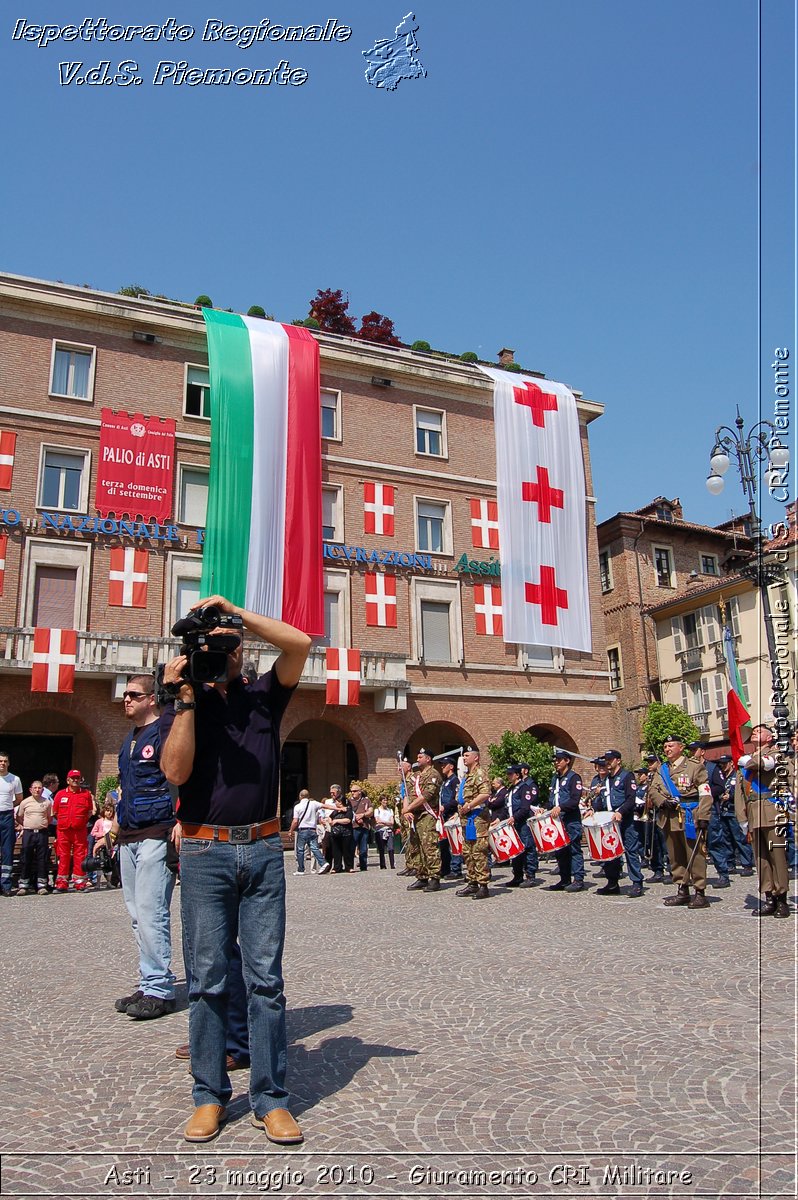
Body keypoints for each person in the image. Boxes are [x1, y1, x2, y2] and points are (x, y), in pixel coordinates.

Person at [160, 593, 310, 1145]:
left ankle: (270, 1100)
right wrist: (184, 701)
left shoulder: (266, 695)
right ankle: (209, 1097)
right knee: (206, 982)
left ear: (241, 648)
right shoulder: (188, 701)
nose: (221, 653)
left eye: (229, 646)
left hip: (265, 850)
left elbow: (300, 643)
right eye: (212, 646)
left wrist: (235, 614)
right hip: (204, 853)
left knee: (266, 982)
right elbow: (176, 773)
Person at [112, 675, 178, 1019]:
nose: (127, 700)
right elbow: (126, 785)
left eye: (133, 695)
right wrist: (117, 819)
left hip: (156, 831)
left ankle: (160, 989)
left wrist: (180, 821)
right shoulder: (130, 739)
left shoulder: (163, 732)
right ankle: (148, 978)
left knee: (153, 913)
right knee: (137, 915)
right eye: (125, 694)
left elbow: (178, 777)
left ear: (151, 698)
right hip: (129, 835)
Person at [649, 733, 712, 909]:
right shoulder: (662, 770)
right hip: (669, 817)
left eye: (671, 746)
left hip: (690, 815)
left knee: (695, 854)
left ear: (681, 747)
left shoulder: (694, 767)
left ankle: (700, 892)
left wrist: (704, 816)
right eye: (665, 747)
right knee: (675, 855)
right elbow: (653, 790)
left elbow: (705, 793)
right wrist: (662, 802)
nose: (667, 750)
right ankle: (682, 889)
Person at [736, 724, 789, 918]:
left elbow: (762, 764)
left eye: (760, 731)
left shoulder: (776, 754)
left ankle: (782, 898)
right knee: (761, 860)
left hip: (772, 812)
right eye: (754, 731)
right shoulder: (745, 762)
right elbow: (740, 794)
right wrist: (742, 819)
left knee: (778, 858)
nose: (755, 733)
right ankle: (769, 897)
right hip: (754, 815)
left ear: (769, 737)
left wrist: (747, 760)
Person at [594, 749, 644, 897]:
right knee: (611, 852)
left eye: (610, 760)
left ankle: (636, 883)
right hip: (610, 821)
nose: (607, 762)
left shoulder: (627, 776)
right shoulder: (605, 780)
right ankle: (612, 883)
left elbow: (631, 798)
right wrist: (594, 809)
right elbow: (604, 801)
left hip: (625, 819)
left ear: (618, 761)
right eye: (606, 760)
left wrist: (620, 812)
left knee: (631, 850)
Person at [402, 748, 443, 893]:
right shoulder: (417, 776)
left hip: (427, 814)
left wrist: (409, 808)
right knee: (417, 846)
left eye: (420, 757)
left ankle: (434, 877)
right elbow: (408, 793)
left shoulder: (434, 774)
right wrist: (406, 809)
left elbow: (426, 795)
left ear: (428, 759)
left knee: (429, 847)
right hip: (415, 815)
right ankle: (422, 875)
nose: (417, 759)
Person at [456, 745, 492, 900]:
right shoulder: (467, 775)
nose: (464, 758)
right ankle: (472, 882)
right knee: (468, 852)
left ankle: (483, 885)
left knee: (478, 852)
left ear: (476, 757)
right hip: (467, 819)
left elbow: (485, 793)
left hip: (477, 819)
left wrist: (469, 805)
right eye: (463, 756)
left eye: (467, 755)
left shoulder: (479, 773)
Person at [546, 750, 585, 893]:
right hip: (558, 820)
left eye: (559, 760)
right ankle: (564, 879)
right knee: (560, 851)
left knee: (574, 849)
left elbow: (574, 800)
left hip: (570, 819)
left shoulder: (574, 778)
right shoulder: (555, 779)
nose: (556, 762)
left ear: (567, 761)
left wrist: (560, 807)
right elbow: (552, 799)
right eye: (555, 760)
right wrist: (546, 809)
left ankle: (578, 879)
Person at [52, 770, 95, 892]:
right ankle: (61, 883)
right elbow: (55, 812)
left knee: (80, 855)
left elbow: (89, 812)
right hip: (63, 830)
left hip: (79, 830)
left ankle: (80, 882)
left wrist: (79, 822)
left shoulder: (86, 794)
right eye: (73, 778)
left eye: (77, 778)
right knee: (63, 855)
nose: (75, 780)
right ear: (68, 780)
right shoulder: (60, 794)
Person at [711, 756, 754, 877]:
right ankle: (730, 863)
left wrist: (729, 797)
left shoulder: (737, 776)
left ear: (731, 763)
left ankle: (747, 864)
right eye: (721, 764)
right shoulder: (721, 777)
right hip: (723, 811)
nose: (723, 766)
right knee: (726, 840)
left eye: (725, 764)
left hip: (734, 811)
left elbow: (741, 792)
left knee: (740, 839)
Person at [503, 764, 539, 888]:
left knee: (528, 848)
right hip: (513, 824)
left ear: (517, 775)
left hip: (523, 823)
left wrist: (514, 817)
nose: (508, 776)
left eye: (510, 774)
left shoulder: (524, 788)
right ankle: (517, 876)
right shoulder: (511, 789)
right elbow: (506, 807)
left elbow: (525, 807)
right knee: (516, 850)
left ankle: (530, 876)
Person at [14, 781, 52, 895]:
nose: (37, 790)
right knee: (26, 858)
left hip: (42, 833)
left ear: (42, 790)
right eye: (35, 788)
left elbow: (49, 817)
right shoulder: (25, 802)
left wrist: (41, 825)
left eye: (39, 788)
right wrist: (27, 825)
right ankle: (23, 885)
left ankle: (41, 885)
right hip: (28, 833)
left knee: (42, 859)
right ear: (30, 789)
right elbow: (19, 817)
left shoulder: (47, 802)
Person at [288, 789, 331, 876]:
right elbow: (325, 805)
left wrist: (291, 830)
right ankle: (323, 863)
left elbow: (295, 821)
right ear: (308, 796)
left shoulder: (297, 806)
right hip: (312, 830)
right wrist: (339, 808)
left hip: (302, 830)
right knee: (314, 848)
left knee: (300, 850)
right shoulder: (314, 803)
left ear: (300, 796)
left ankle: (301, 869)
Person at [0, 753, 23, 896]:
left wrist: (8, 807)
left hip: (7, 816)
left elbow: (19, 798)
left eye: (5, 761)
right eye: (0, 761)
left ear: (8, 763)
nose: (2, 763)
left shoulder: (14, 779)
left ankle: (6, 885)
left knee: (7, 850)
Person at [438, 756, 462, 879]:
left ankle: (456, 869)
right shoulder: (445, 781)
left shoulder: (454, 781)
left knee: (454, 844)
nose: (442, 767)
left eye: (444, 764)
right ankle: (445, 868)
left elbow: (456, 799)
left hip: (451, 814)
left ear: (451, 766)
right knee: (444, 844)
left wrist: (445, 806)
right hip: (444, 816)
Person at [349, 782, 374, 871]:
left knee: (363, 849)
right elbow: (347, 812)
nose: (352, 793)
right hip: (353, 827)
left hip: (364, 827)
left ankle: (363, 866)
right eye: (351, 791)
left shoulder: (366, 801)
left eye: (355, 791)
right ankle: (350, 866)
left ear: (359, 791)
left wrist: (363, 815)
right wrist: (356, 817)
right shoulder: (349, 801)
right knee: (352, 847)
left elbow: (371, 811)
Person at [329, 792, 355, 873]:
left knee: (347, 851)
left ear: (340, 802)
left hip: (346, 833)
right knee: (336, 851)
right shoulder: (335, 811)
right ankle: (337, 867)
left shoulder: (348, 810)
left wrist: (336, 821)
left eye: (336, 801)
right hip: (335, 834)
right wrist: (330, 821)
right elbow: (330, 817)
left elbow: (348, 820)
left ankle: (349, 867)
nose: (335, 803)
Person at [373, 796, 397, 869]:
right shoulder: (377, 810)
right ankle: (382, 865)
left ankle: (392, 864)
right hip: (380, 831)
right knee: (381, 849)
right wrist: (387, 823)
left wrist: (383, 822)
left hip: (388, 831)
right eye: (384, 800)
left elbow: (392, 822)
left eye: (386, 800)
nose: (385, 802)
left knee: (391, 848)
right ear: (380, 801)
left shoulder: (390, 810)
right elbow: (377, 821)